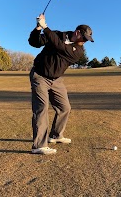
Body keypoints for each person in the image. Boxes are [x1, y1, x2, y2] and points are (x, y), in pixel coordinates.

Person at [28, 14, 94, 155]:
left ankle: (56, 135)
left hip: (56, 80)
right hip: (39, 76)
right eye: (84, 38)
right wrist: (38, 28)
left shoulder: (78, 51)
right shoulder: (57, 34)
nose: (85, 42)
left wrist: (46, 27)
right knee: (41, 108)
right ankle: (39, 145)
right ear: (77, 33)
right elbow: (34, 42)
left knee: (65, 107)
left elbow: (60, 47)